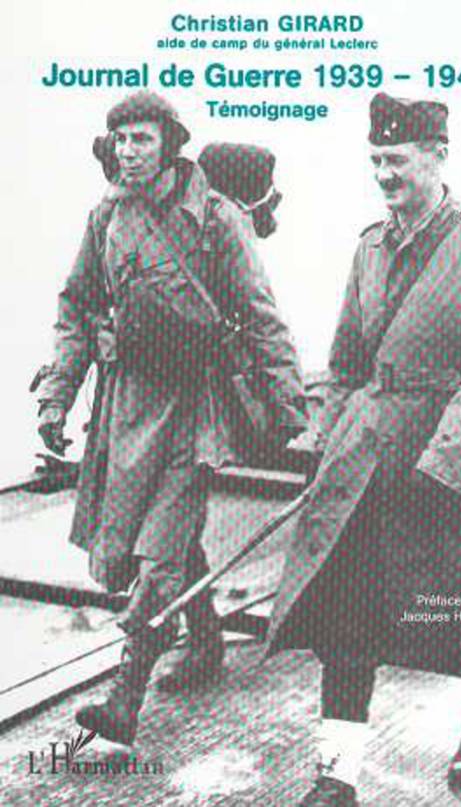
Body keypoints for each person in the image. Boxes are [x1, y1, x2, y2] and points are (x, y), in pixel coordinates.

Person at [263, 93, 461, 805]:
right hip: (366, 463)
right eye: (376, 159)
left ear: (437, 157)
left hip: (452, 467)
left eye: (397, 159)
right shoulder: (369, 246)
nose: (383, 173)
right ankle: (337, 774)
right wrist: (329, 446)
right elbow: (346, 363)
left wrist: (442, 469)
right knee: (345, 611)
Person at [34, 90, 307, 746]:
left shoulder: (215, 217)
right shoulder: (107, 215)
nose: (129, 152)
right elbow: (77, 308)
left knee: (158, 551)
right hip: (125, 405)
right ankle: (206, 640)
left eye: (143, 139)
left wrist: (288, 406)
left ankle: (124, 697)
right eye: (121, 139)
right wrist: (56, 397)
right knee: (152, 537)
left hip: (193, 407)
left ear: (170, 144)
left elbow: (260, 314)